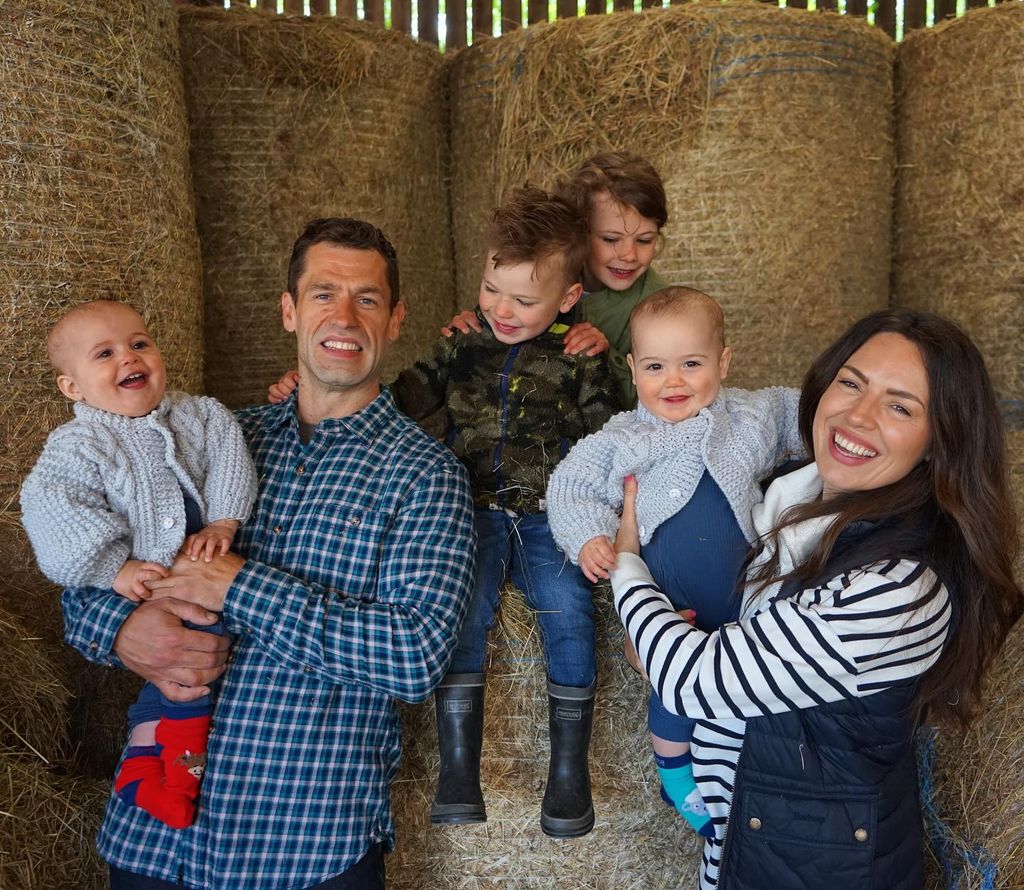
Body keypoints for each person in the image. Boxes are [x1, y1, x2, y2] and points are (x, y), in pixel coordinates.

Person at [60, 219, 476, 889]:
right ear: (288, 310)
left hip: (304, 844)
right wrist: (123, 629)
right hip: (155, 841)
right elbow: (83, 570)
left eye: (366, 299)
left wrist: (242, 588)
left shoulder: (425, 475)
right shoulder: (210, 439)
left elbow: (415, 655)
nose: (343, 316)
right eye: (322, 293)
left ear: (395, 319)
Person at [609, 309, 1022, 890]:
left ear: (940, 441)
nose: (858, 415)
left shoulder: (900, 588)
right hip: (751, 841)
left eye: (900, 406)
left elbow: (695, 679)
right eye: (851, 382)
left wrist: (627, 564)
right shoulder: (787, 500)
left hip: (820, 868)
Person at [272, 187, 618, 839]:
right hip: (474, 507)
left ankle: (568, 776)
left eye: (524, 300)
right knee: (464, 611)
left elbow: (617, 436)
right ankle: (458, 770)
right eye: (492, 290)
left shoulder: (579, 359)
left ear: (568, 300)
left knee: (568, 613)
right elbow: (396, 396)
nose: (501, 310)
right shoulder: (463, 345)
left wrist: (613, 520)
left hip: (555, 516)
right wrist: (308, 385)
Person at [546, 286, 802, 838]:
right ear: (633, 368)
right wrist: (590, 535)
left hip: (745, 600)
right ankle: (676, 775)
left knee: (754, 689)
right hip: (671, 607)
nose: (675, 381)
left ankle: (748, 780)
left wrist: (844, 422)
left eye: (692, 364)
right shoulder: (626, 435)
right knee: (674, 689)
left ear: (724, 362)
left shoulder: (750, 416)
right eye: (657, 366)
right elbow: (571, 485)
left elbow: (800, 412)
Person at [21, 300, 257, 830]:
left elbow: (229, 461)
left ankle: (139, 769)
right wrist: (115, 570)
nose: (129, 357)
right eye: (105, 354)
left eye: (139, 343)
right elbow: (54, 514)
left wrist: (223, 522)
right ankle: (179, 780)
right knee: (188, 684)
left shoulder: (201, 415)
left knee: (179, 681)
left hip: (200, 576)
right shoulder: (79, 446)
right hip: (148, 589)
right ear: (73, 388)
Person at [441, 151, 669, 408]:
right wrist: (477, 327)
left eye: (645, 240)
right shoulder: (545, 274)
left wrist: (607, 358)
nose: (628, 254)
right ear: (580, 232)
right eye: (610, 239)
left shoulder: (661, 306)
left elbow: (664, 398)